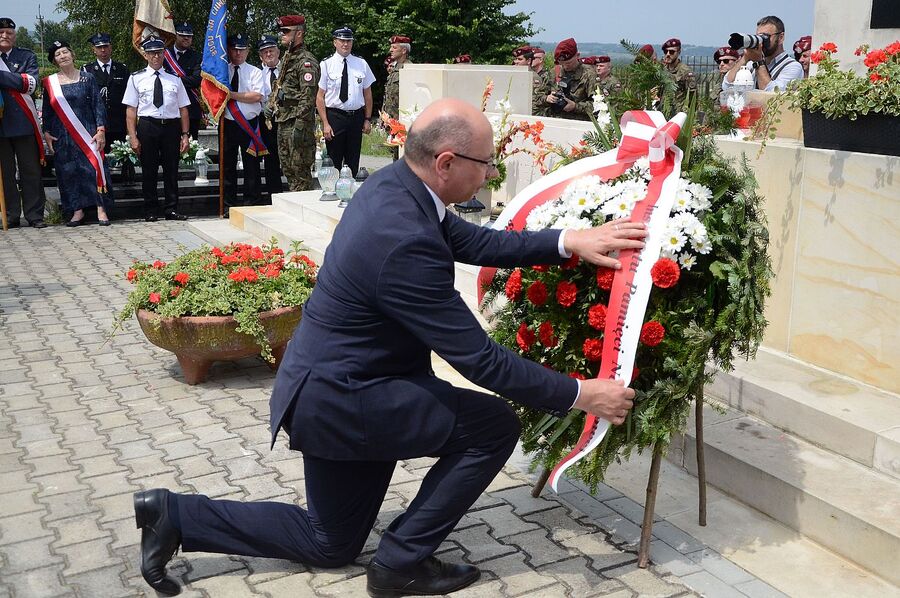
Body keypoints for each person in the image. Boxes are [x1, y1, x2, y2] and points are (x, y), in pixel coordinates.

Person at [132, 97, 643, 598]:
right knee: (492, 426)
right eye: (486, 164)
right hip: (348, 401)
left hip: (330, 387)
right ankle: (401, 564)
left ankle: (173, 514)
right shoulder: (404, 241)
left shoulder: (397, 186)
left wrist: (567, 241)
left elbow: (470, 241)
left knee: (329, 543)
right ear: (446, 163)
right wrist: (582, 394)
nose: (489, 175)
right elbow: (481, 361)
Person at [42, 41, 112, 226]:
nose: (63, 56)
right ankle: (76, 210)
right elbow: (47, 110)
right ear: (54, 61)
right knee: (68, 172)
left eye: (65, 52)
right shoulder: (50, 82)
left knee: (93, 169)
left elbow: (98, 104)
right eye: (58, 54)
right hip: (62, 135)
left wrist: (101, 129)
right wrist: (46, 132)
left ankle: (101, 208)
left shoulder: (87, 78)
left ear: (72, 55)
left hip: (88, 132)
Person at [122, 36, 190, 222]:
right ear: (145, 55)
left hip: (171, 127)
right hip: (147, 126)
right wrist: (133, 137)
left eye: (159, 53)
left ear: (164, 54)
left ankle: (171, 209)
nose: (156, 57)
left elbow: (183, 108)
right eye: (152, 53)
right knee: (149, 171)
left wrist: (185, 135)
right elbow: (130, 110)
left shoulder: (174, 79)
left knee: (171, 170)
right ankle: (151, 210)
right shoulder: (136, 78)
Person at [0, 17, 47, 228]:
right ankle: (10, 215)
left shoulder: (26, 56)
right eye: (1, 32)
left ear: (14, 35)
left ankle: (34, 215)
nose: (4, 35)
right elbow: (17, 81)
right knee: (5, 173)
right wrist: (12, 79)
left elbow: (28, 84)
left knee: (31, 171)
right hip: (1, 126)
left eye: (9, 32)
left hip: (23, 121)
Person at [267, 14, 318, 192]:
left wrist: (300, 126)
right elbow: (280, 85)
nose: (282, 35)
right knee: (288, 170)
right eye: (281, 31)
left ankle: (305, 212)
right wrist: (271, 104)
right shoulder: (288, 58)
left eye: (286, 31)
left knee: (300, 171)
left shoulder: (306, 61)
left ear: (298, 33)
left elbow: (308, 98)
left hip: (298, 124)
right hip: (284, 121)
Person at [316, 26, 375, 177]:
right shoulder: (326, 64)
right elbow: (320, 96)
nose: (345, 44)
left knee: (353, 159)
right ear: (335, 42)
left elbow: (367, 94)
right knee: (334, 159)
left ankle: (351, 194)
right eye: (342, 40)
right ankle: (333, 191)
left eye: (348, 41)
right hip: (335, 117)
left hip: (356, 117)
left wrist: (367, 119)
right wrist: (325, 123)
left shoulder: (361, 64)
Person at [221, 33, 264, 209]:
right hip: (228, 124)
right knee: (227, 166)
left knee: (251, 166)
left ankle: (251, 202)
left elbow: (256, 96)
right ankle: (228, 204)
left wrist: (231, 95)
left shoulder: (255, 71)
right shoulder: (222, 71)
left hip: (249, 124)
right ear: (229, 51)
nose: (238, 53)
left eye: (242, 50)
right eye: (234, 50)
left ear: (247, 51)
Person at [723, 15, 804, 92]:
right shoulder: (751, 65)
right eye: (759, 36)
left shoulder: (793, 67)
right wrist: (745, 57)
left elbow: (772, 95)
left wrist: (759, 62)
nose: (762, 41)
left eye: (765, 37)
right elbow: (726, 86)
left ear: (781, 37)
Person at [81, 33, 128, 147]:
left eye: (106, 46)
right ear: (94, 50)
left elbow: (128, 97)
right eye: (99, 47)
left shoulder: (122, 69)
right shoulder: (87, 70)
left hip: (119, 125)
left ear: (111, 48)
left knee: (124, 161)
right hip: (97, 126)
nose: (103, 50)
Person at [167, 22, 203, 140]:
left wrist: (171, 80)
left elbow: (196, 80)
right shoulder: (164, 55)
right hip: (168, 108)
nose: (186, 38)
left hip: (191, 108)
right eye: (182, 35)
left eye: (189, 36)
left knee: (190, 150)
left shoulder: (197, 57)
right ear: (175, 36)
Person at [257, 34, 284, 196]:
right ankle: (274, 194)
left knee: (290, 157)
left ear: (278, 52)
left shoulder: (288, 70)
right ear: (261, 56)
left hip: (287, 119)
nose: (269, 54)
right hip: (267, 121)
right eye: (265, 52)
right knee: (271, 159)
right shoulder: (257, 74)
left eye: (271, 50)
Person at [545, 38, 597, 121]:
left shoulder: (589, 74)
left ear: (577, 55)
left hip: (579, 123)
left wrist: (575, 106)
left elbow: (599, 105)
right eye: (562, 63)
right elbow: (538, 97)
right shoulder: (554, 72)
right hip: (556, 120)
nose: (565, 66)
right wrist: (547, 98)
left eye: (569, 63)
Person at [383, 35, 413, 161]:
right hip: (393, 123)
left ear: (404, 50)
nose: (391, 50)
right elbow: (389, 95)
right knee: (395, 158)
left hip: (403, 123)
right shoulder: (395, 69)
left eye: (394, 47)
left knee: (404, 159)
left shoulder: (410, 69)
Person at [513, 45, 548, 116]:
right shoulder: (514, 75)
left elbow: (535, 102)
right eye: (516, 59)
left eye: (520, 59)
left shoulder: (534, 78)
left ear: (529, 61)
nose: (516, 62)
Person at [661, 38, 696, 106]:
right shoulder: (663, 70)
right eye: (666, 51)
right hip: (663, 111)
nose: (668, 54)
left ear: (679, 52)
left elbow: (693, 97)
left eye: (671, 52)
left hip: (679, 113)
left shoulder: (685, 72)